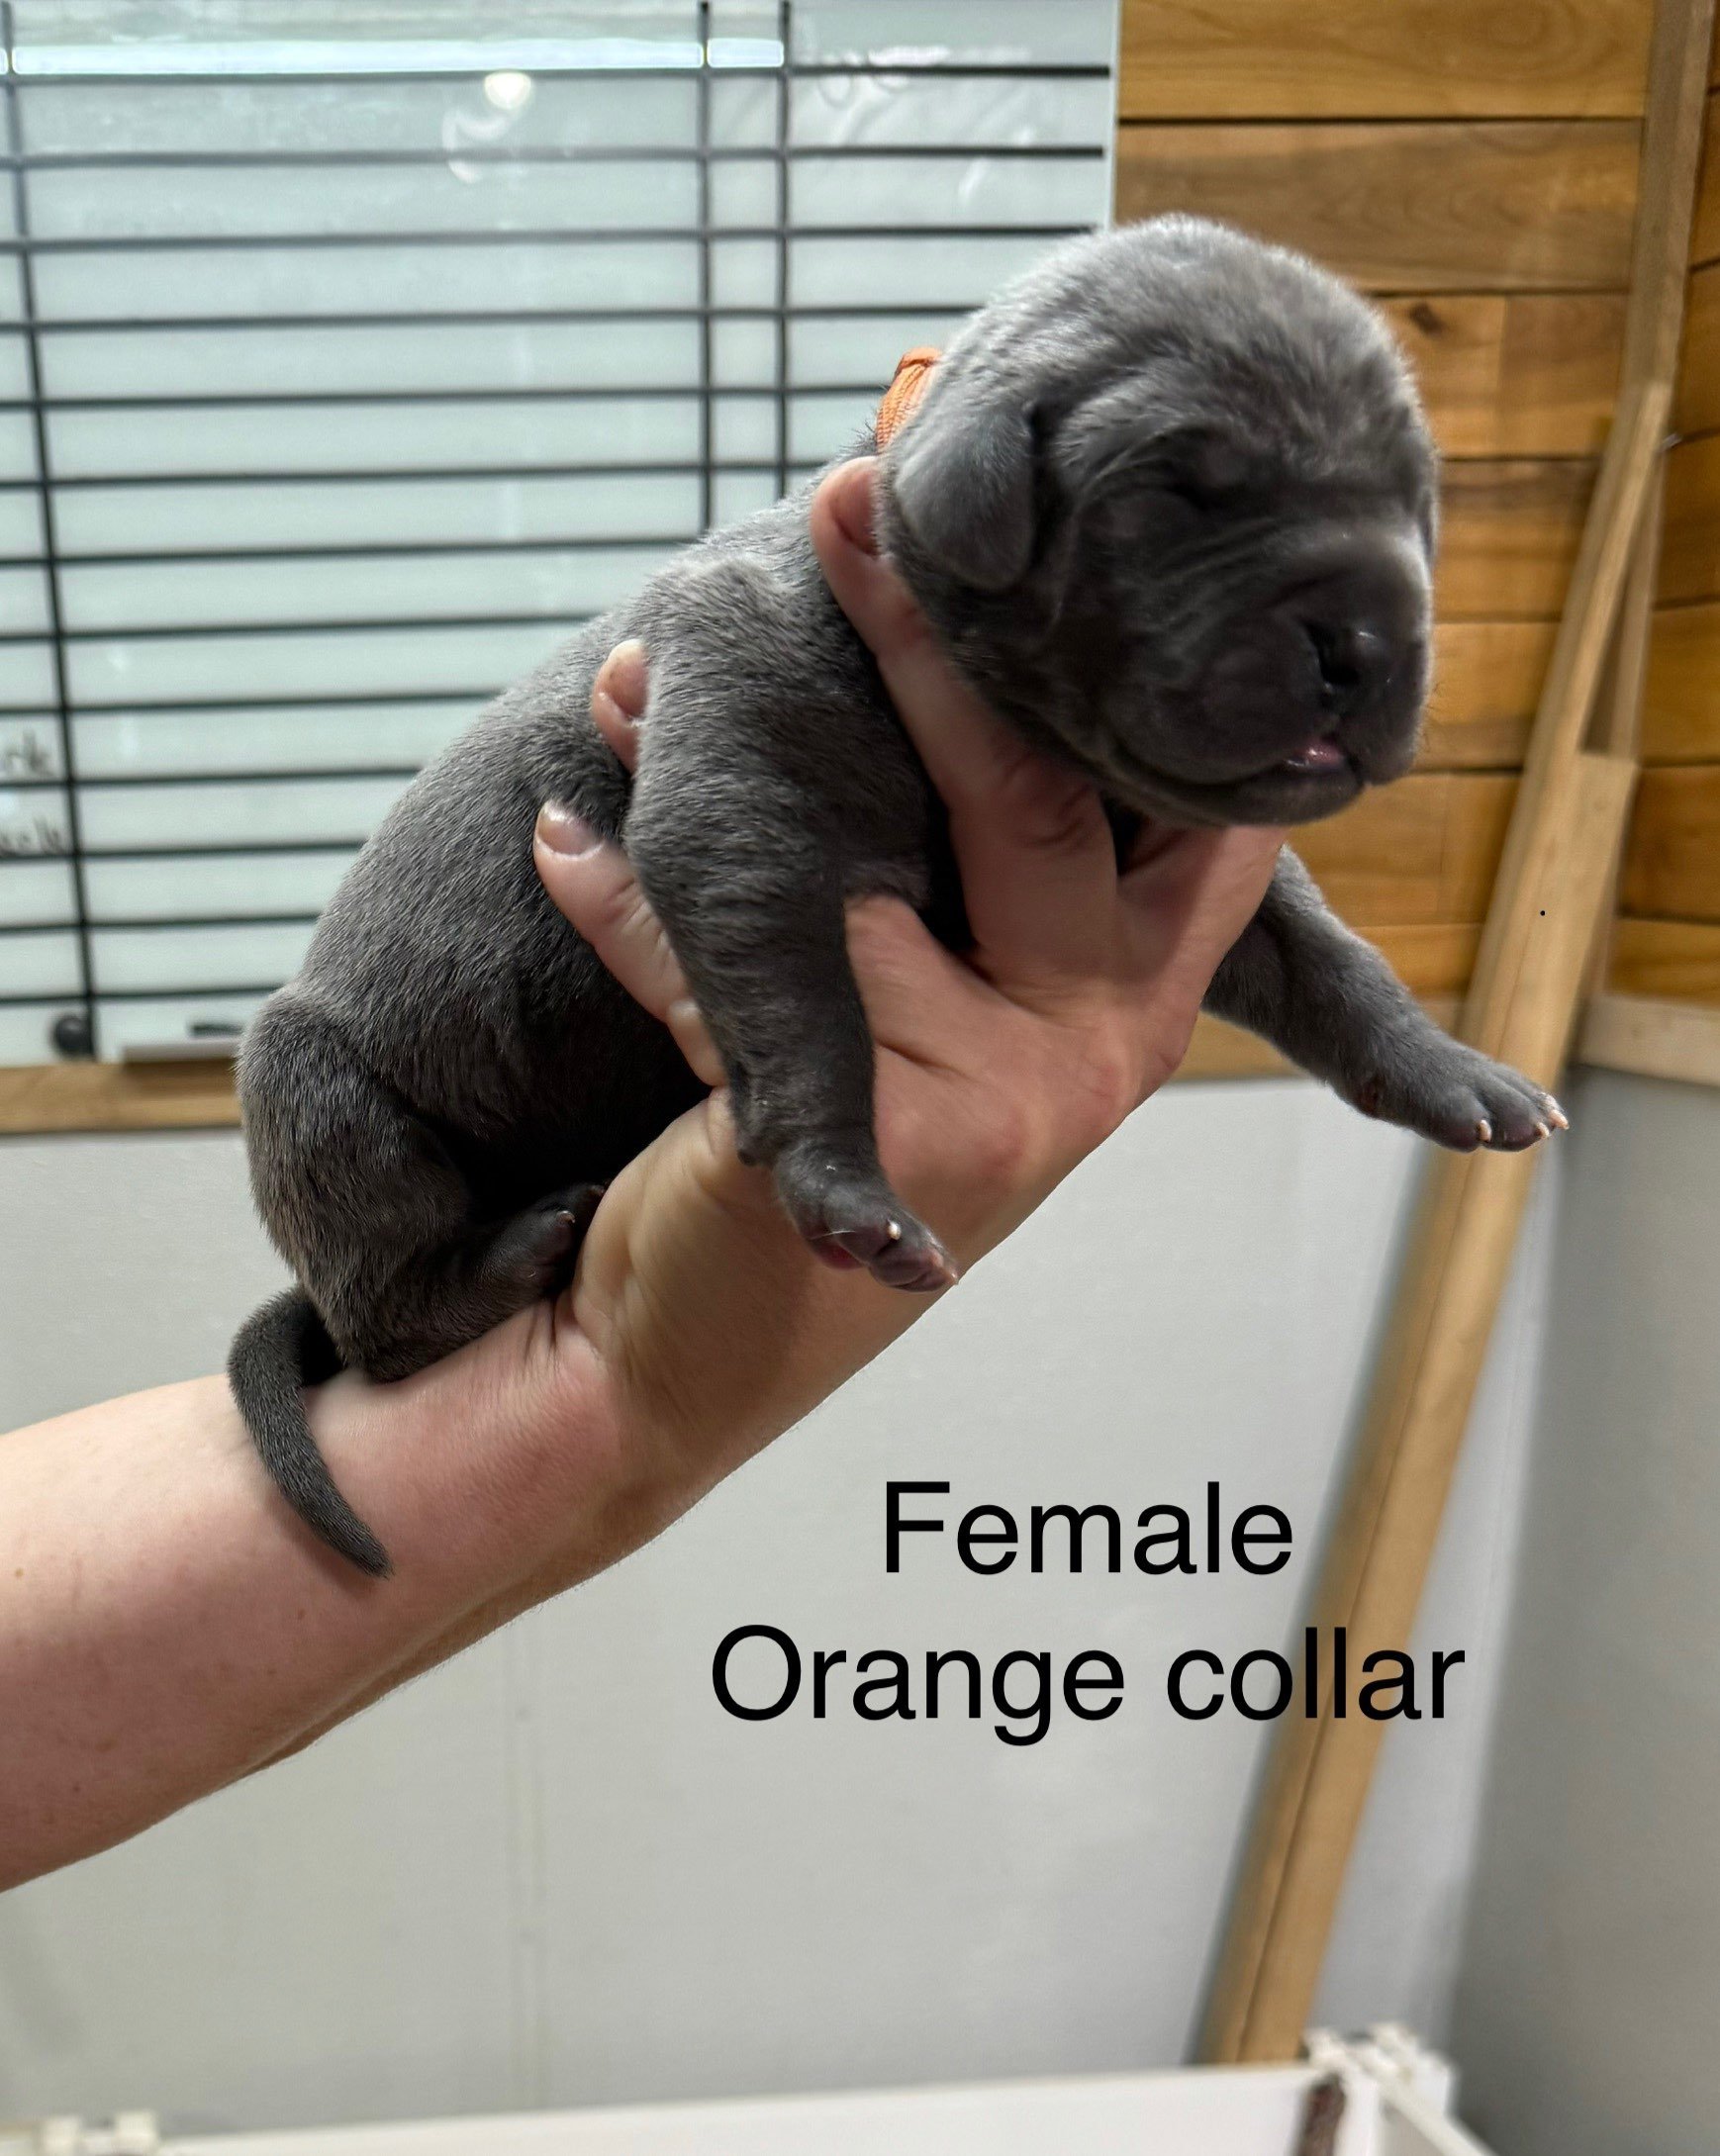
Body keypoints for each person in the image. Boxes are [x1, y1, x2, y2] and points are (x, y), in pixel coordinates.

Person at [0, 460, 1283, 1891]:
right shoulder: (790, 628)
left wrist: (613, 1379)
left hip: (595, 1151)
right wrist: (599, 1379)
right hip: (420, 1098)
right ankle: (415, 1290)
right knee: (296, 1063)